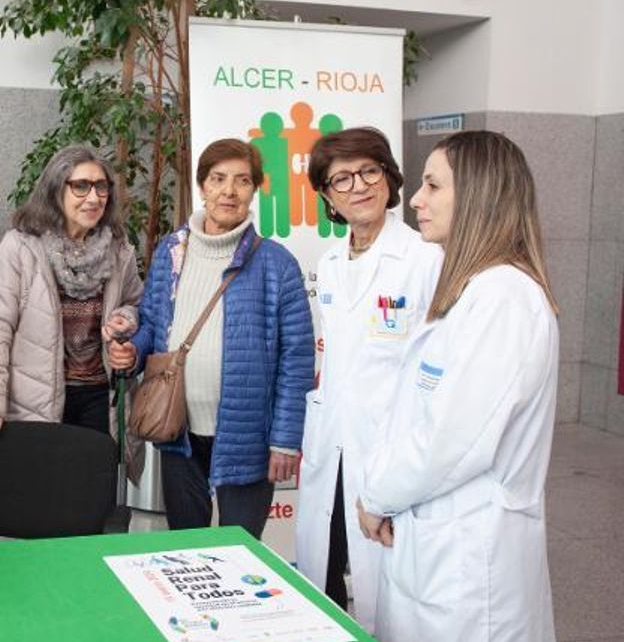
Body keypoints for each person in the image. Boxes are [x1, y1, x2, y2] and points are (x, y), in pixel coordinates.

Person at [357, 131, 559, 641]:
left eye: (432, 185)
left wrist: (376, 496)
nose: (417, 200)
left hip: (469, 561)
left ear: (478, 194)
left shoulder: (504, 299)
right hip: (435, 544)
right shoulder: (473, 291)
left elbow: (451, 442)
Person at [112, 138, 314, 538]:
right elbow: (153, 323)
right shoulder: (173, 250)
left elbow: (297, 359)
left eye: (241, 181)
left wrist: (286, 441)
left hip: (248, 438)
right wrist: (133, 351)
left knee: (240, 551)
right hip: (178, 431)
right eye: (218, 179)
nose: (229, 191)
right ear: (202, 186)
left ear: (254, 190)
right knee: (188, 551)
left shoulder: (277, 263)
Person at [293, 127, 442, 629]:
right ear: (327, 195)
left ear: (389, 177)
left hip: (387, 451)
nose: (357, 186)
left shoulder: (425, 258)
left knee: (386, 594)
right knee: (325, 573)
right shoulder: (331, 263)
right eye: (341, 179)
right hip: (329, 446)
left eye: (368, 171)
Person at [0, 145, 143, 473]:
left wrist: (125, 319)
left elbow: (136, 303)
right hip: (37, 398)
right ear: (56, 188)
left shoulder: (118, 246)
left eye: (101, 187)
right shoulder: (21, 246)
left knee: (92, 499)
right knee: (45, 498)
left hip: (102, 398)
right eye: (81, 186)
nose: (94, 197)